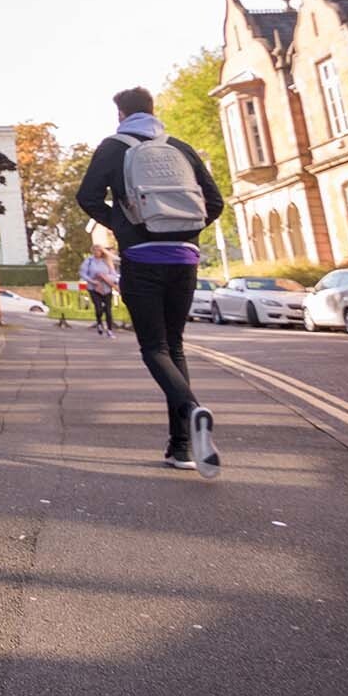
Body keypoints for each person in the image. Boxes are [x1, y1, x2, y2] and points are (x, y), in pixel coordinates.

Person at [77, 87, 227, 474]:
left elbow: (88, 197)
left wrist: (127, 228)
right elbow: (215, 203)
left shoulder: (113, 147)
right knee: (174, 347)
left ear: (121, 115)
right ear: (153, 110)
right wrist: (186, 232)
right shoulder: (179, 147)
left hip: (142, 260)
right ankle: (182, 448)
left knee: (154, 348)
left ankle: (192, 410)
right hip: (185, 259)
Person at [79, 245, 119, 335]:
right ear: (92, 251)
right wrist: (92, 281)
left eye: (99, 251)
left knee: (108, 310)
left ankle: (109, 329)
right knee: (98, 308)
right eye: (95, 251)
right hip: (94, 288)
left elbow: (114, 275)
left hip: (106, 288)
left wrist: (104, 277)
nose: (97, 253)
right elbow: (83, 273)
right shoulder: (89, 261)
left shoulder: (107, 261)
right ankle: (99, 323)